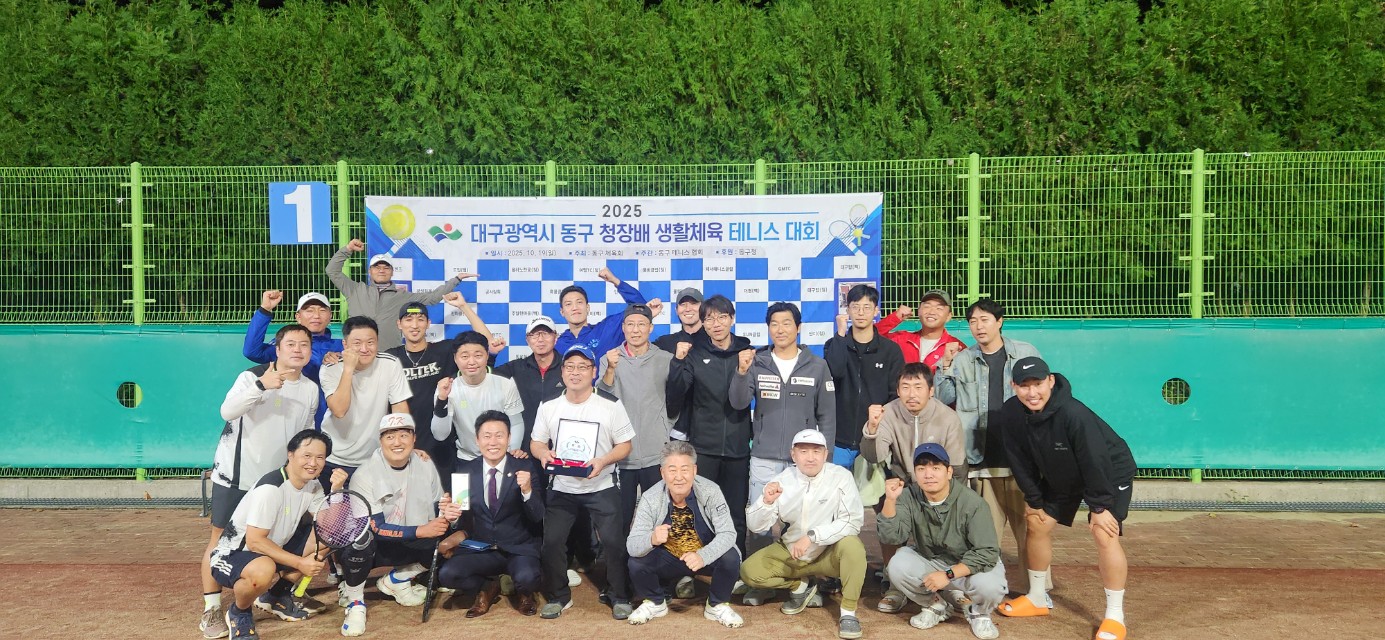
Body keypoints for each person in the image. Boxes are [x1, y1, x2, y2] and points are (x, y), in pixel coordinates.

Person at [996, 357, 1136, 640]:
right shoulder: (1010, 413)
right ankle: (1037, 597)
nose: (1032, 393)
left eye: (1038, 384)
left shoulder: (1074, 413)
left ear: (1050, 381)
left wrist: (1099, 506)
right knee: (1036, 522)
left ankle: (1114, 616)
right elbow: (1017, 458)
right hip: (1062, 471)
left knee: (1103, 532)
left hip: (1109, 471)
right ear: (1013, 386)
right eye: (1024, 386)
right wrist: (1034, 498)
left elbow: (1095, 459)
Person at [200, 324, 320, 639]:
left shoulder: (310, 388)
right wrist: (261, 385)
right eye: (290, 344)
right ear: (277, 350)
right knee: (220, 540)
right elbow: (227, 411)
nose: (298, 350)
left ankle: (273, 595)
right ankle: (212, 609)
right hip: (237, 476)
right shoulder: (251, 377)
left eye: (304, 345)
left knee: (279, 539)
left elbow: (304, 435)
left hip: (276, 483)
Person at [934, 298, 1046, 589]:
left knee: (1031, 530)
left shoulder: (1025, 353)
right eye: (973, 321)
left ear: (999, 321)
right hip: (981, 461)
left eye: (984, 319)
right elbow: (943, 399)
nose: (978, 326)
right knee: (985, 537)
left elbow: (1043, 396)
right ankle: (989, 590)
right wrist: (945, 365)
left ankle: (1036, 591)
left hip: (1022, 461)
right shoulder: (962, 359)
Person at [728, 301, 837, 603]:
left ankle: (803, 581)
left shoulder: (817, 365)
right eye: (774, 323)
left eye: (787, 323)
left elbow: (827, 415)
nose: (780, 329)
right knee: (760, 524)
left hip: (803, 462)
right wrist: (741, 372)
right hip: (763, 457)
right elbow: (738, 402)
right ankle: (762, 583)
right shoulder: (758, 362)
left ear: (798, 328)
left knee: (803, 523)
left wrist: (823, 457)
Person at [531, 344, 636, 620]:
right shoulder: (548, 405)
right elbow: (536, 442)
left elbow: (625, 445)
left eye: (582, 367)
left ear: (593, 372)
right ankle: (558, 596)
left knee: (613, 542)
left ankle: (618, 595)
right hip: (562, 487)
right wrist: (543, 454)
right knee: (552, 542)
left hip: (601, 485)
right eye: (570, 367)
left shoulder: (610, 405)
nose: (575, 372)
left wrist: (603, 460)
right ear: (562, 372)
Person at [208, 430, 346, 640]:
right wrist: (300, 563)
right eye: (307, 455)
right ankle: (239, 612)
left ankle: (276, 596)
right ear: (290, 454)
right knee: (263, 569)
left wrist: (336, 491)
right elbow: (255, 541)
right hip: (233, 555)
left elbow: (330, 526)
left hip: (271, 549)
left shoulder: (313, 485)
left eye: (320, 457)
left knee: (328, 538)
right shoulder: (271, 488)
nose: (313, 463)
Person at [337, 413, 462, 636]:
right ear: (380, 441)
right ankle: (355, 602)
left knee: (450, 532)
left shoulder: (425, 464)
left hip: (410, 539)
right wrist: (421, 531)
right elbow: (374, 527)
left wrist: (448, 513)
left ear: (414, 439)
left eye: (404, 435)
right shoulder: (364, 475)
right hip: (376, 546)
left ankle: (398, 579)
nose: (397, 442)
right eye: (390, 437)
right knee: (360, 540)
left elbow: (437, 506)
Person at [859, 362, 966, 613]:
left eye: (918, 387)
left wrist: (946, 499)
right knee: (888, 514)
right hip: (904, 483)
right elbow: (874, 456)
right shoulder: (888, 412)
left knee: (952, 526)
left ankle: (952, 585)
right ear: (898, 390)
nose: (912, 394)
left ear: (931, 390)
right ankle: (894, 585)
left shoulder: (948, 417)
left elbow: (957, 467)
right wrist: (872, 428)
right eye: (905, 387)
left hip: (940, 485)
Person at [741, 429, 868, 640]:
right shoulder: (782, 480)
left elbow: (852, 521)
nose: (810, 457)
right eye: (803, 451)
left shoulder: (841, 477)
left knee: (853, 547)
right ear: (793, 455)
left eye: (816, 451)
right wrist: (766, 502)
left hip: (827, 554)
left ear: (825, 454)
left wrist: (812, 536)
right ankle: (801, 585)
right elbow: (755, 526)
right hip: (792, 553)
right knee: (749, 572)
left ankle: (848, 613)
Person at [878, 444, 1005, 640]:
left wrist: (949, 574)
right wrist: (890, 501)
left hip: (968, 565)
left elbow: (987, 551)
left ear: (949, 472)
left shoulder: (972, 503)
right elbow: (891, 537)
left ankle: (979, 613)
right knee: (897, 564)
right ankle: (935, 605)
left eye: (935, 468)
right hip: (932, 561)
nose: (928, 475)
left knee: (991, 585)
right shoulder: (909, 496)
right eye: (921, 469)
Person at [666, 294, 754, 557]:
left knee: (735, 512)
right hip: (704, 447)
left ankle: (736, 564)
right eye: (710, 319)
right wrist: (678, 362)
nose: (716, 324)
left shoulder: (747, 352)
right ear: (703, 323)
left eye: (722, 317)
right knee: (700, 511)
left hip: (738, 447)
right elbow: (675, 397)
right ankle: (698, 565)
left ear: (732, 319)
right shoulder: (695, 354)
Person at [437, 410, 546, 617]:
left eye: (499, 435)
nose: (493, 442)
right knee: (448, 575)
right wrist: (452, 516)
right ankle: (487, 587)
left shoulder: (524, 467)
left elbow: (538, 515)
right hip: (482, 548)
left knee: (529, 578)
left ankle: (524, 592)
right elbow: (460, 518)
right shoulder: (465, 471)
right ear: (477, 440)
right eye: (487, 436)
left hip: (518, 547)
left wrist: (527, 491)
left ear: (509, 438)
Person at [625, 441, 744, 628]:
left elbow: (728, 533)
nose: (679, 477)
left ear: (694, 470)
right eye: (672, 470)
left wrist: (703, 556)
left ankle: (717, 604)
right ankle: (655, 602)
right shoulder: (650, 497)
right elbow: (632, 545)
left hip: (704, 557)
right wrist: (652, 539)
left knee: (731, 557)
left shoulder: (710, 491)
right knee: (636, 562)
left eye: (685, 469)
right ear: (662, 473)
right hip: (669, 558)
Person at [598, 303, 678, 532]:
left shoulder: (665, 358)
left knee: (659, 518)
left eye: (641, 324)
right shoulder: (609, 359)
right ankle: (619, 556)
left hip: (655, 453)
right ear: (623, 327)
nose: (635, 330)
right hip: (621, 454)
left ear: (650, 328)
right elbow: (602, 400)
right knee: (619, 520)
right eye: (630, 324)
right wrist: (610, 369)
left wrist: (664, 426)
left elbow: (676, 398)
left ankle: (656, 556)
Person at [326, 238, 472, 349]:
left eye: (386, 267)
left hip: (389, 355)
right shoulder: (355, 289)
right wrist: (348, 249)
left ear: (392, 272)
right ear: (370, 271)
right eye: (377, 267)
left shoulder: (402, 296)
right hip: (357, 354)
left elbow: (432, 298)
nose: (381, 270)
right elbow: (332, 270)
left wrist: (456, 279)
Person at [318, 316, 412, 482]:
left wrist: (403, 447)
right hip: (334, 459)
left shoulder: (390, 364)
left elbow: (400, 409)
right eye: (357, 343)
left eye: (370, 342)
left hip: (375, 459)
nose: (364, 348)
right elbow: (339, 410)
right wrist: (348, 369)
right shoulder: (330, 368)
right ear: (345, 345)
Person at [824, 284, 904, 468]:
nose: (861, 313)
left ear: (876, 311)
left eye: (867, 307)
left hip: (874, 437)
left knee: (872, 488)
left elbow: (895, 395)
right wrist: (841, 335)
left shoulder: (890, 350)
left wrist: (878, 428)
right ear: (847, 310)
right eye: (855, 307)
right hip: (839, 440)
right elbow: (835, 371)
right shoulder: (834, 344)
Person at [241, 290, 342, 426]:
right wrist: (265, 310)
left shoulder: (342, 346)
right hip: (291, 416)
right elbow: (252, 351)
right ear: (298, 316)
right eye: (309, 310)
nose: (316, 315)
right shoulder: (286, 346)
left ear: (330, 316)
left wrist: (342, 360)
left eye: (322, 310)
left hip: (332, 421)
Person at [385, 301, 458, 481]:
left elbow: (485, 343)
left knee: (445, 495)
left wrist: (463, 306)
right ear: (399, 324)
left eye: (420, 319)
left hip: (441, 444)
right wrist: (335, 356)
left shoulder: (445, 350)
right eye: (408, 319)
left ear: (428, 323)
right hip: (403, 444)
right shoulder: (390, 357)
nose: (415, 325)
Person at [431, 331, 527, 464]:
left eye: (478, 355)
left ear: (487, 355)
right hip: (466, 459)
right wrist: (442, 399)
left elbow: (516, 423)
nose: (471, 362)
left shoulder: (505, 384)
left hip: (502, 458)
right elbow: (440, 435)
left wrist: (513, 451)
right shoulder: (447, 388)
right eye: (465, 356)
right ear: (455, 358)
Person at [493, 316, 567, 452]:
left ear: (555, 337)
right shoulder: (516, 368)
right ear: (527, 340)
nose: (540, 339)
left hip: (563, 448)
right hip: (524, 450)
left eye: (545, 333)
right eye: (534, 335)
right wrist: (492, 355)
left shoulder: (569, 367)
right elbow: (484, 377)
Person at [554, 266, 651, 365]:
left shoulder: (607, 329)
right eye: (568, 304)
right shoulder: (557, 344)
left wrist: (615, 281)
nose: (575, 308)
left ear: (587, 308)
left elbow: (641, 309)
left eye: (579, 302)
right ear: (562, 312)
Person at [654, 287, 705, 442]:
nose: (688, 308)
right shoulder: (664, 343)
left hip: (709, 429)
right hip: (674, 429)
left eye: (693, 303)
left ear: (703, 308)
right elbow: (638, 350)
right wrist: (648, 315)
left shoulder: (715, 342)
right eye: (683, 304)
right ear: (676, 310)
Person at [875, 289, 967, 371]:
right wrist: (895, 317)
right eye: (927, 306)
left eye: (939, 308)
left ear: (949, 316)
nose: (932, 312)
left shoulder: (956, 347)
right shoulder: (901, 340)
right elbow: (870, 336)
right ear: (918, 311)